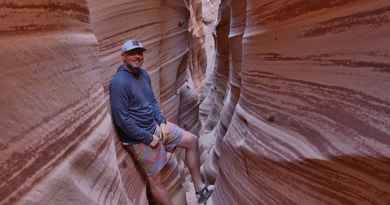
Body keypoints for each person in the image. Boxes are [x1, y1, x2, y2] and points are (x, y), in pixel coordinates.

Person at [109, 39, 214, 205]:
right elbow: (122, 119)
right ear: (123, 57)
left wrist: (162, 121)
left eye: (140, 53)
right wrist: (148, 138)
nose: (137, 56)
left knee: (191, 140)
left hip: (155, 127)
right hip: (138, 138)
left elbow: (152, 102)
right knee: (156, 180)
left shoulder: (143, 75)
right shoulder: (118, 83)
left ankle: (200, 190)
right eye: (132, 53)